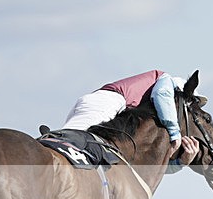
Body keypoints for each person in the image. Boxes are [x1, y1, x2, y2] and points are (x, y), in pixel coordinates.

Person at [61, 70, 200, 167]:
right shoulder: (166, 79)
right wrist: (175, 134)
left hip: (102, 105)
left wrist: (180, 163)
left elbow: (150, 166)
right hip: (107, 103)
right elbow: (162, 94)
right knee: (70, 145)